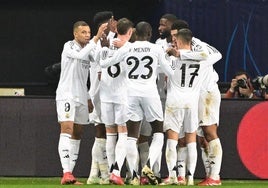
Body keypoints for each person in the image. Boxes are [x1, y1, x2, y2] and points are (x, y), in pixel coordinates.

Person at [100, 21, 174, 185]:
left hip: (130, 94)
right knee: (158, 132)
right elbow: (170, 72)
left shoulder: (126, 47)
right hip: (150, 93)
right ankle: (147, 166)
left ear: (134, 33)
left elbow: (104, 64)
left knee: (131, 136)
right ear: (149, 34)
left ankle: (132, 175)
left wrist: (105, 48)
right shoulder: (156, 49)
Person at [163, 28, 222, 186]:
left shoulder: (199, 46)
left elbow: (215, 55)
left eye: (175, 36)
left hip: (205, 92)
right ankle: (188, 176)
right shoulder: (184, 53)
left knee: (208, 132)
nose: (173, 40)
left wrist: (178, 55)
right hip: (193, 97)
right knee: (198, 138)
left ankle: (214, 176)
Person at [56, 20, 107, 185]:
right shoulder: (69, 46)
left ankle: (70, 175)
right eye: (83, 32)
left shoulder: (89, 49)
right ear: (75, 34)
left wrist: (104, 44)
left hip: (81, 96)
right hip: (67, 95)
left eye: (89, 32)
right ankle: (66, 172)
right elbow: (80, 56)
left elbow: (99, 60)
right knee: (67, 129)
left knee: (78, 133)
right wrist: (96, 38)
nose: (87, 35)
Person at [138, 13, 178, 185]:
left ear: (172, 25)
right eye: (159, 25)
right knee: (147, 134)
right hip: (156, 95)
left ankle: (171, 173)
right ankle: (151, 172)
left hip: (174, 97)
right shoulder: (157, 45)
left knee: (173, 136)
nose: (160, 28)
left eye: (163, 24)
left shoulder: (183, 44)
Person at [98, 17, 134, 185]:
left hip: (106, 95)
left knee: (110, 135)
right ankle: (116, 171)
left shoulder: (105, 44)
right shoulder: (130, 48)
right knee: (123, 134)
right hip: (122, 95)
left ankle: (110, 172)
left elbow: (100, 63)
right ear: (130, 31)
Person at [87, 11, 117, 185]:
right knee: (103, 133)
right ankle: (104, 174)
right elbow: (99, 72)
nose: (116, 22)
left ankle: (94, 174)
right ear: (107, 24)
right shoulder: (103, 43)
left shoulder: (100, 42)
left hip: (100, 92)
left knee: (103, 133)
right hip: (102, 93)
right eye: (114, 20)